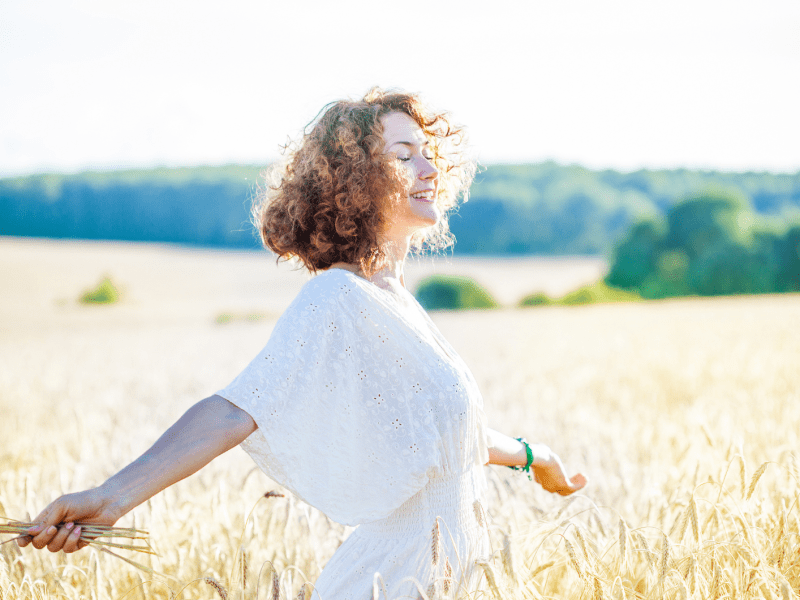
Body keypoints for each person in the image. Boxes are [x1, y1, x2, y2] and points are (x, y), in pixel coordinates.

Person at [19, 88, 587, 598]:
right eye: (402, 155)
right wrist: (114, 496)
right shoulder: (336, 299)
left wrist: (534, 457)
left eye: (427, 151)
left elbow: (444, 435)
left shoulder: (395, 303)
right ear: (354, 185)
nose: (428, 167)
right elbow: (236, 408)